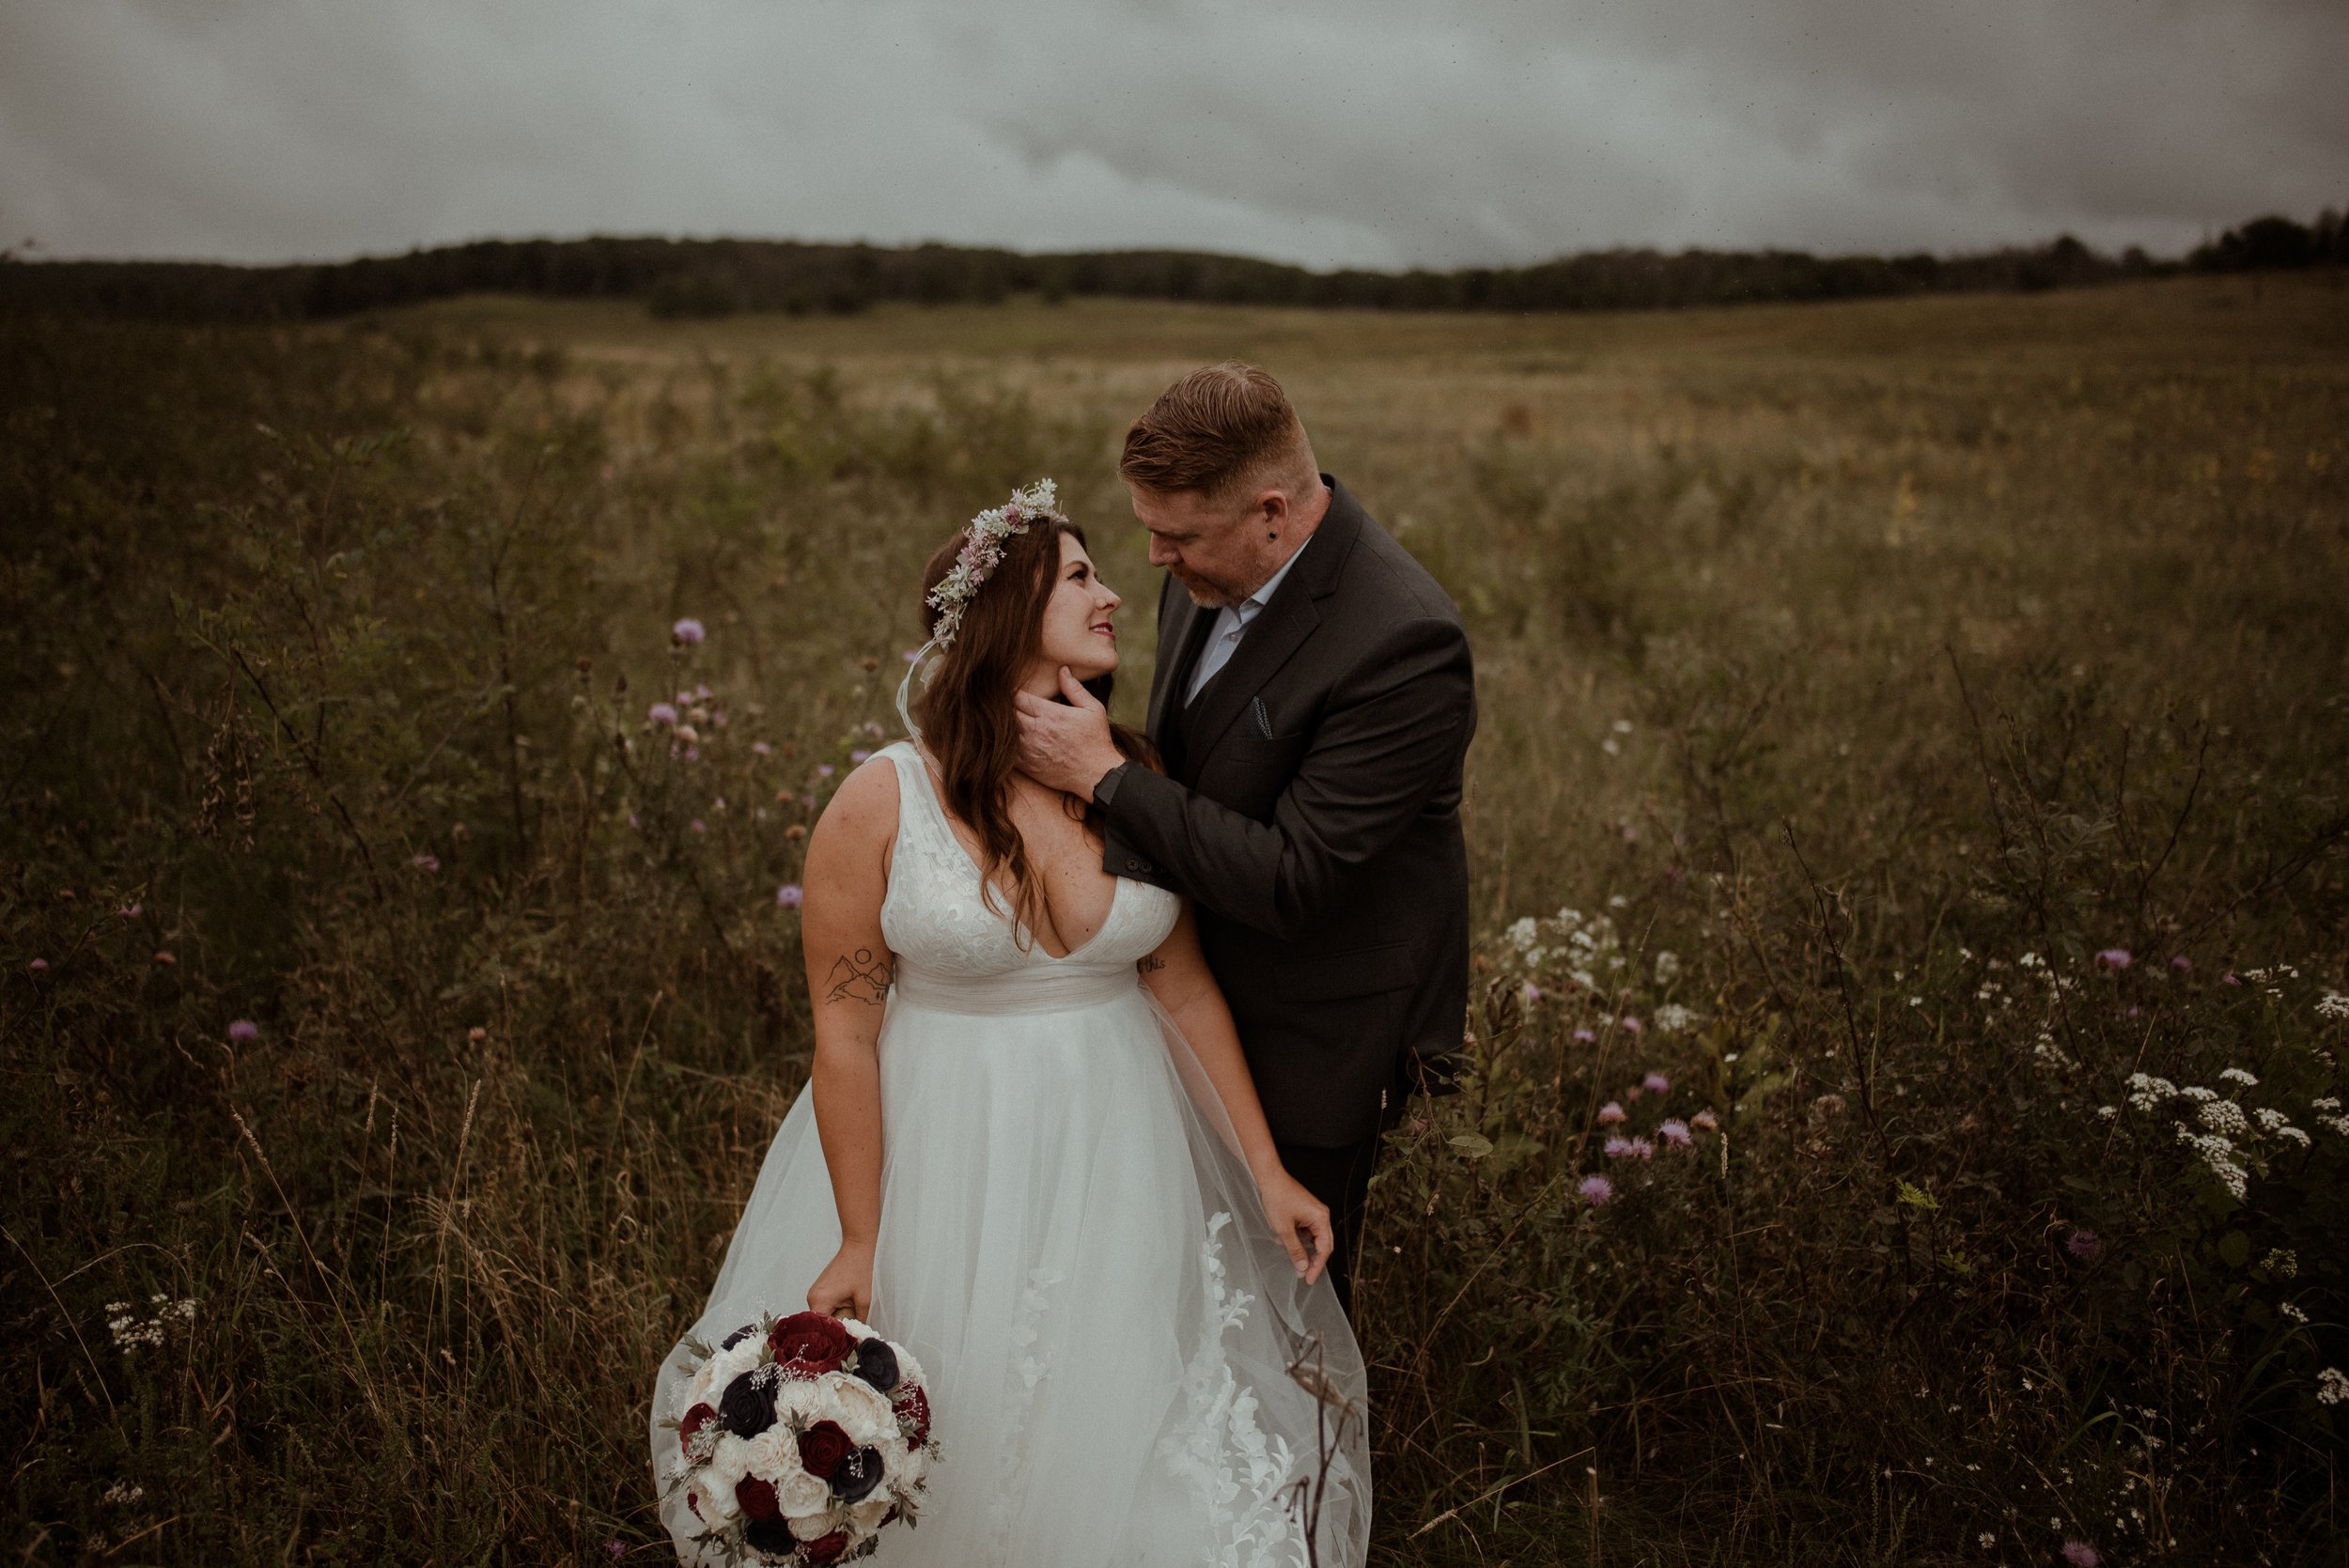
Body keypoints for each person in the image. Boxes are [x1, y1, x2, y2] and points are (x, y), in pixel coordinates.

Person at [649, 480, 1370, 1567]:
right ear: (1002, 611)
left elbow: (1180, 986)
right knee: (962, 1394)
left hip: (1123, 1149)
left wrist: (1262, 1169)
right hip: (951, 1148)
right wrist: (857, 1233)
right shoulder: (881, 800)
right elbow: (844, 1031)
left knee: (1122, 1395)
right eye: (1081, 574)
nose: (1115, 593)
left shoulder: (1128, 776)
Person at [1017, 363, 1476, 1312]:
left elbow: (1295, 877)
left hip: (1313, 1033)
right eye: (1147, 527)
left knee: (1282, 1307)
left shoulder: (1403, 642)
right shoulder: (1203, 571)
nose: (1150, 558)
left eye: (1175, 534)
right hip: (1184, 994)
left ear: (1272, 513)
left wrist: (1105, 778)